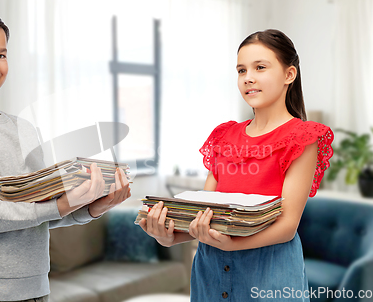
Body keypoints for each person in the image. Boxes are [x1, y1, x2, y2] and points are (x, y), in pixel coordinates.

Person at [0, 8, 131, 302]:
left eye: (1, 55)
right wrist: (59, 206)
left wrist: (91, 208)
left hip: (37, 290)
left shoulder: (21, 127)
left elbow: (38, 213)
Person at [139, 29, 334, 301]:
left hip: (269, 274)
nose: (248, 78)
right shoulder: (224, 135)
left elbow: (287, 225)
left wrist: (232, 246)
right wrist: (169, 237)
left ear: (289, 75)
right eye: (241, 70)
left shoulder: (302, 137)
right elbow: (206, 216)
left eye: (260, 67)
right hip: (210, 272)